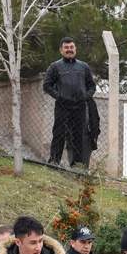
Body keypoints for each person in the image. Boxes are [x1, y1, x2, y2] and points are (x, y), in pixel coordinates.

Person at [44, 36, 96, 167]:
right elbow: (47, 85)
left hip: (80, 107)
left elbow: (92, 86)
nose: (69, 50)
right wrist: (59, 97)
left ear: (75, 49)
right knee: (59, 134)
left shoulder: (84, 66)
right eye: (66, 48)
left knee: (78, 136)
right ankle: (54, 161)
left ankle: (77, 164)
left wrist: (85, 96)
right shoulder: (55, 66)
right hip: (62, 106)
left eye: (71, 47)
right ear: (61, 50)